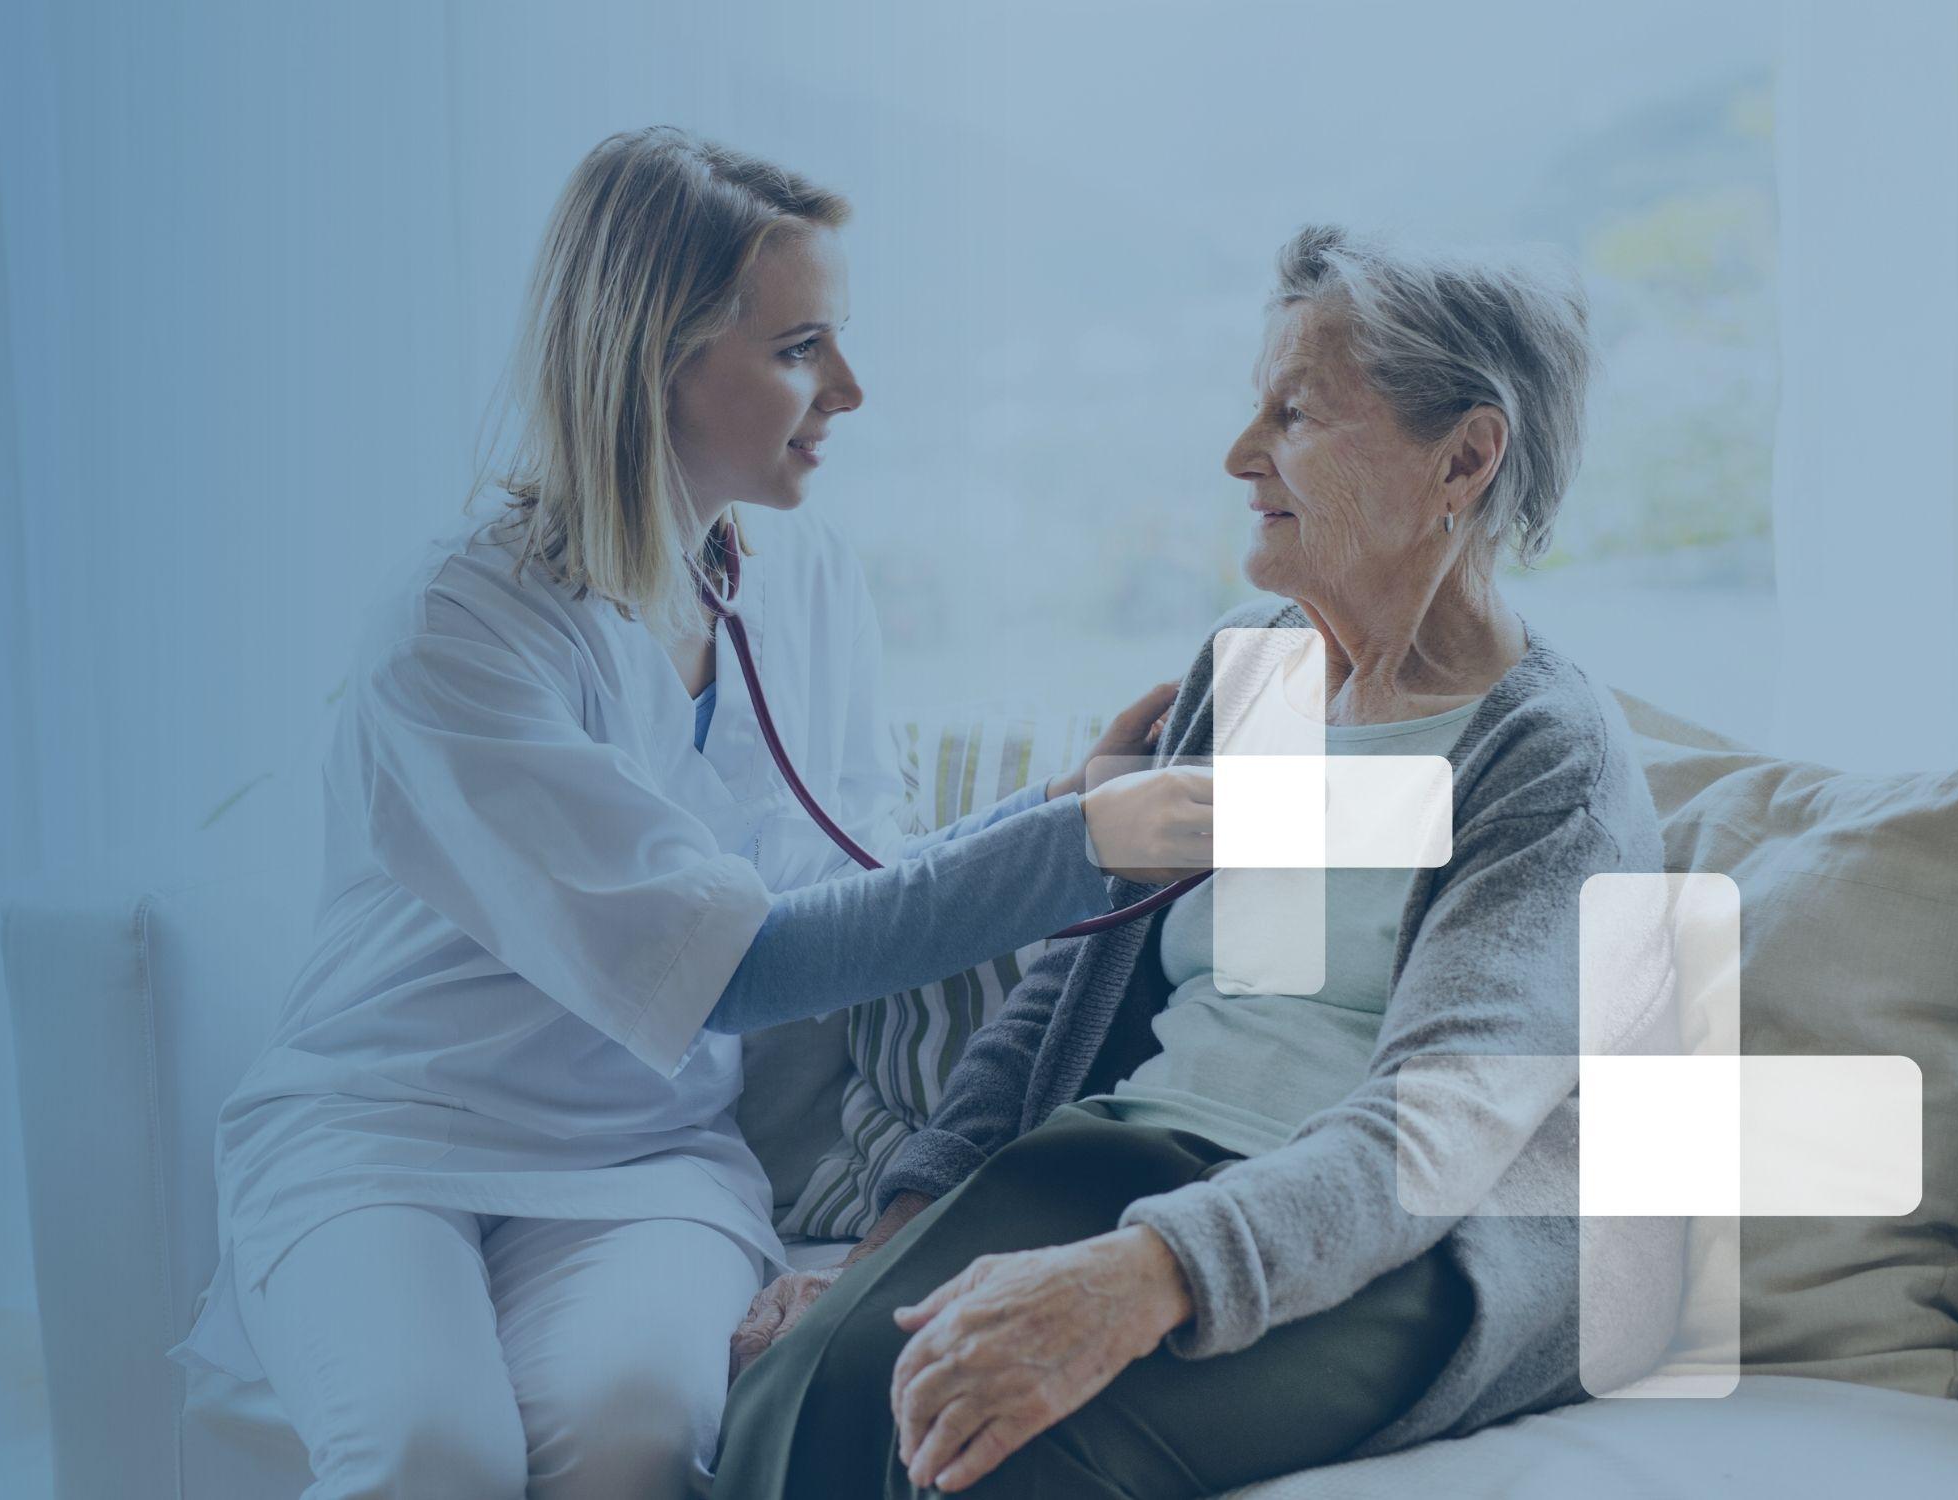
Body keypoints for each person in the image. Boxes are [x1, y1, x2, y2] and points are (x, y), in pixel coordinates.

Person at [170, 127, 1210, 1500]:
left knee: (638, 1441)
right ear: (651, 357)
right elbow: (745, 968)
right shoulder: (460, 631)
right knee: (432, 1454)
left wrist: (1059, 802)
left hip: (643, 1154)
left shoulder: (807, 579)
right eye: (800, 349)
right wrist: (1090, 841)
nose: (849, 390)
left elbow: (857, 885)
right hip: (386, 1135)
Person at [716, 225, 1680, 1498]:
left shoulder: (1547, 756)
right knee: (804, 1390)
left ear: (1464, 457)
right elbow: (1064, 1003)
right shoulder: (1259, 667)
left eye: (1297, 414)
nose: (1239, 455)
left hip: (1406, 1246)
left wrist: (1141, 1277)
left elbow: (1436, 1129)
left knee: (994, 1453)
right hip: (1141, 1155)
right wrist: (879, 1260)